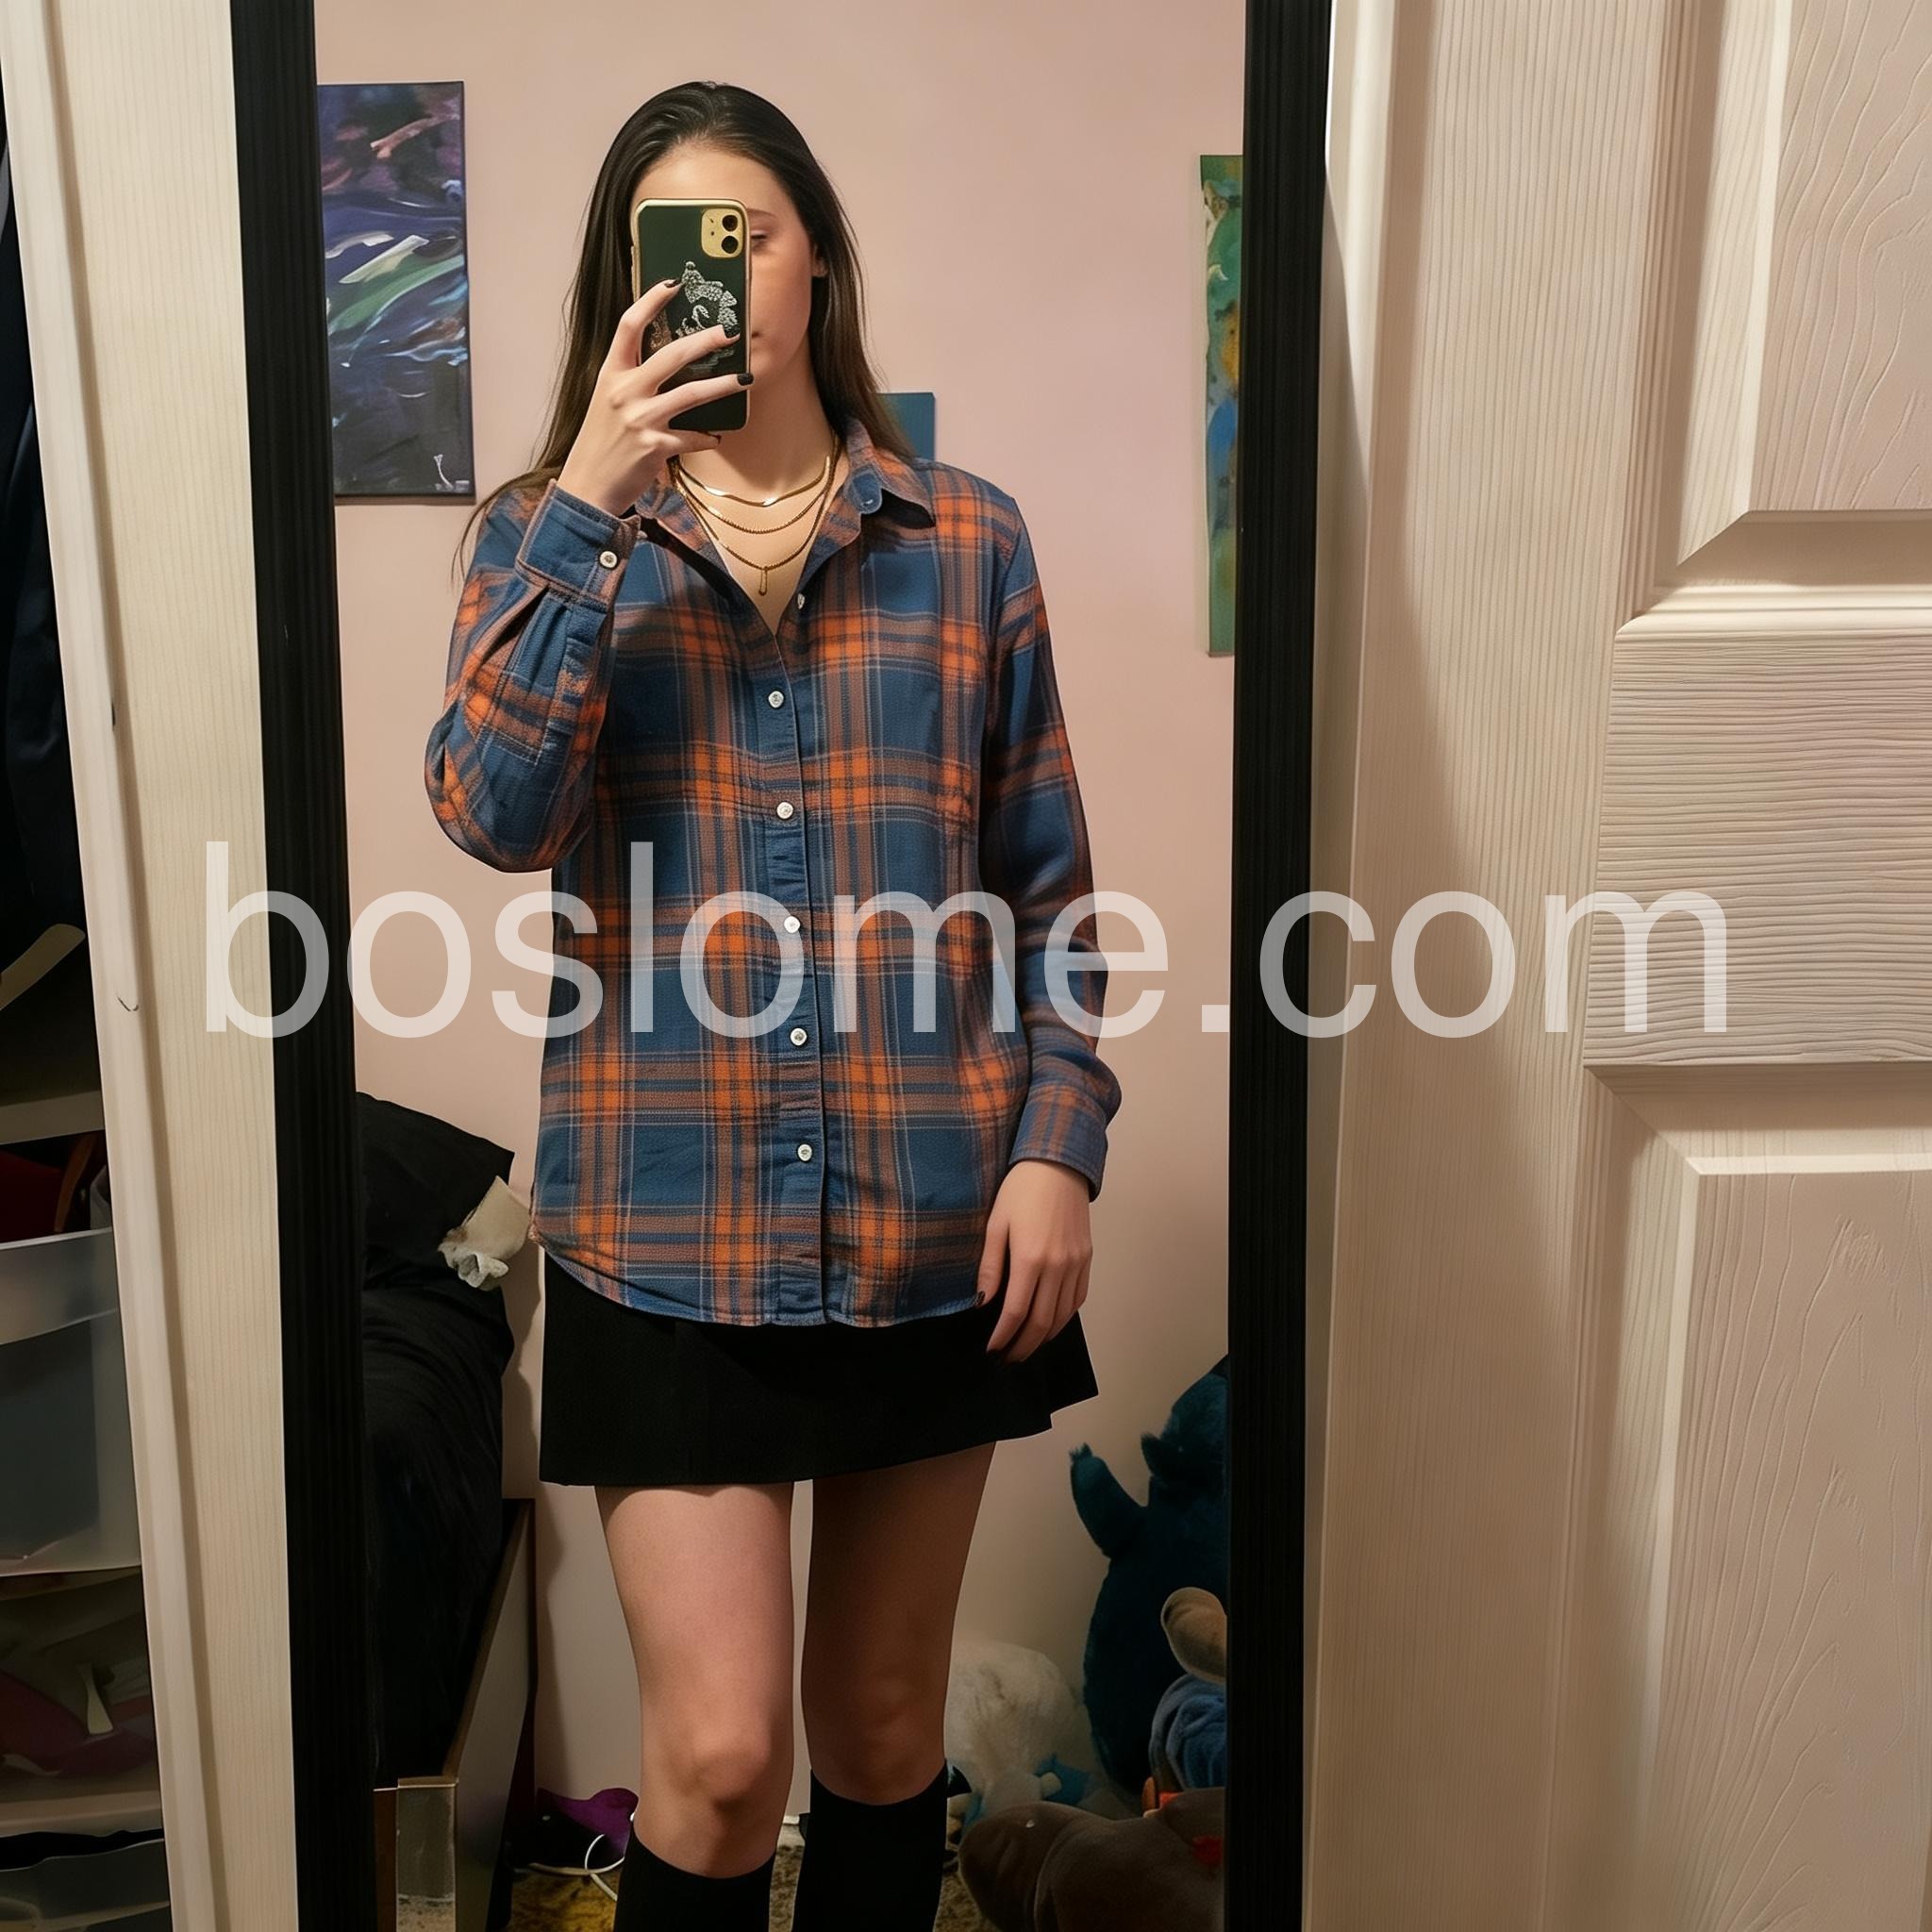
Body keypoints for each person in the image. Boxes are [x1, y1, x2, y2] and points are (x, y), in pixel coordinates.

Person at [424, 78, 1122, 1932]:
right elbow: (492, 815)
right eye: (676, 246)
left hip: (931, 1227)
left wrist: (1059, 1147)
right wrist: (590, 510)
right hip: (663, 1230)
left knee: (883, 1730)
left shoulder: (965, 541)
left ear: (821, 261)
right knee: (721, 1761)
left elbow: (1047, 892)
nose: (717, 276)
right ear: (625, 287)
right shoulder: (540, 538)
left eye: (751, 232)